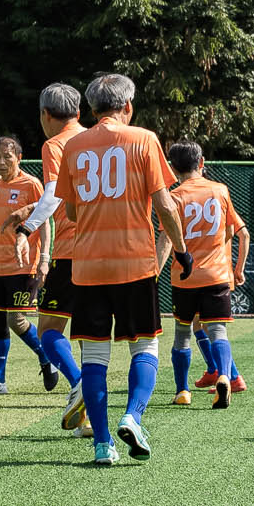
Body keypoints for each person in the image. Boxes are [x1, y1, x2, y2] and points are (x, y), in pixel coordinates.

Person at [58, 74, 192, 465]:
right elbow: (165, 206)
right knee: (145, 346)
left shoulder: (74, 145)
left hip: (87, 267)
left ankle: (102, 445)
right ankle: (133, 415)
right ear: (128, 106)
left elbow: (69, 210)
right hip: (135, 263)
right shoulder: (143, 139)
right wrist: (181, 252)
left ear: (92, 108)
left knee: (95, 358)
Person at [17, 83, 88, 430]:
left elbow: (54, 195)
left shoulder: (55, 144)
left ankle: (79, 384)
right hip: (109, 250)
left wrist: (26, 228)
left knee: (48, 330)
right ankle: (94, 425)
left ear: (46, 115)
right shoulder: (97, 141)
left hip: (72, 249)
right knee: (97, 338)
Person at [165, 142, 249, 409]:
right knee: (218, 332)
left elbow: (166, 240)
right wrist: (238, 269)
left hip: (184, 277)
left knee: (182, 334)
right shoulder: (220, 191)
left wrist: (153, 272)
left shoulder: (174, 197)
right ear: (201, 163)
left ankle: (182, 391)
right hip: (216, 275)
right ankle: (224, 376)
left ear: (172, 168)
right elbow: (241, 233)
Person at [0, 136, 53, 395]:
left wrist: (44, 259)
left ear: (19, 158)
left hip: (23, 264)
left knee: (16, 319)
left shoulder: (32, 184)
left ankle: (47, 357)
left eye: (7, 157)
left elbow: (45, 221)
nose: (1, 162)